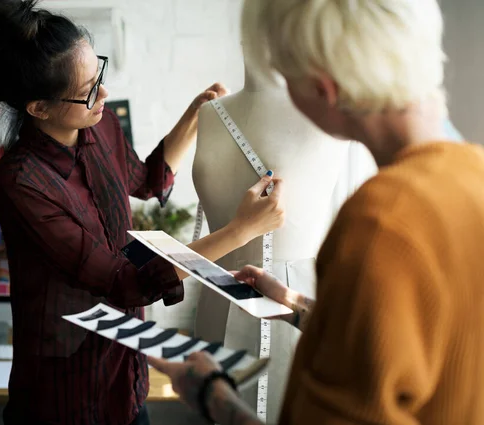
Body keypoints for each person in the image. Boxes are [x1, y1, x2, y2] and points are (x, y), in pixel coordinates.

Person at [150, 0, 484, 424]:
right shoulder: (474, 176)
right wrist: (299, 308)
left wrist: (212, 395)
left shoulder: (380, 223)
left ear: (322, 87)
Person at [0, 0, 286, 424]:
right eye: (86, 90)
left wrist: (196, 115)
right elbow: (126, 282)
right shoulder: (23, 181)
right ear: (39, 108)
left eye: (97, 74)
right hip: (63, 394)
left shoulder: (98, 125)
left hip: (126, 376)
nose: (103, 93)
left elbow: (147, 179)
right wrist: (241, 230)